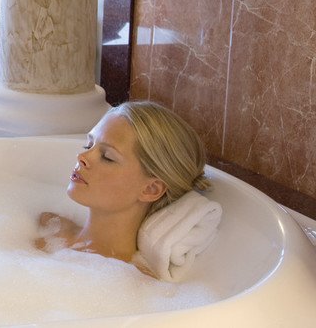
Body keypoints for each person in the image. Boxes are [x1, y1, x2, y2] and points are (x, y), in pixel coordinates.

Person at [36, 101, 210, 273]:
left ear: (151, 189)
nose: (82, 156)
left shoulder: (130, 281)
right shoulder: (51, 225)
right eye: (88, 145)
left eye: (107, 157)